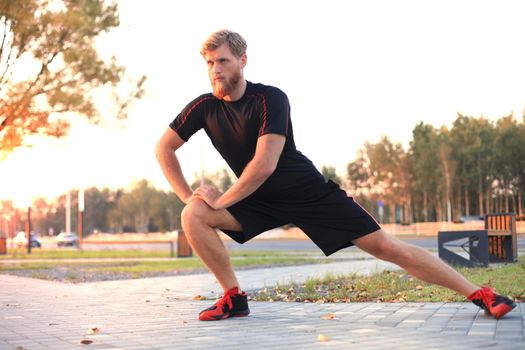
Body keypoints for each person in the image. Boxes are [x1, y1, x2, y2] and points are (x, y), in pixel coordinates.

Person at [155, 29, 516, 321]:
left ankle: (480, 294)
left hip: (308, 193)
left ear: (242, 61)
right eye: (209, 63)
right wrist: (190, 196)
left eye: (222, 60)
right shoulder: (203, 107)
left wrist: (222, 198)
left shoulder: (270, 99)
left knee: (386, 247)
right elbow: (164, 148)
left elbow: (264, 164)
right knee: (193, 214)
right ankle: (234, 298)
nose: (215, 69)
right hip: (255, 201)